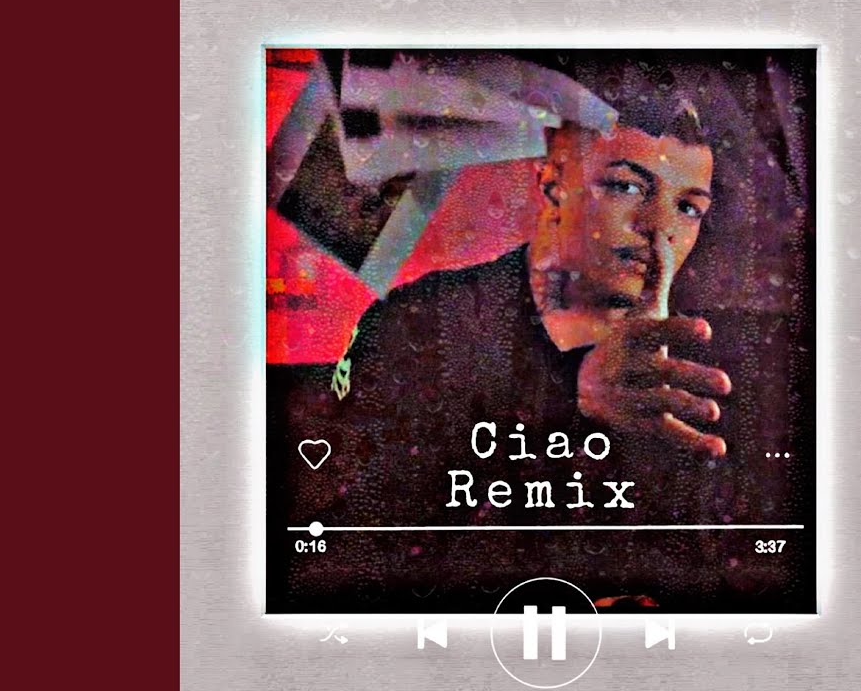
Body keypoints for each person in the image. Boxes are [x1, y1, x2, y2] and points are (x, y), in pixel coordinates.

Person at [267, 62, 747, 613]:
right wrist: (569, 401)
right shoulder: (421, 324)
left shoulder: (711, 366)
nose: (658, 228)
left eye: (687, 208)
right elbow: (346, 546)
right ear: (553, 182)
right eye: (625, 186)